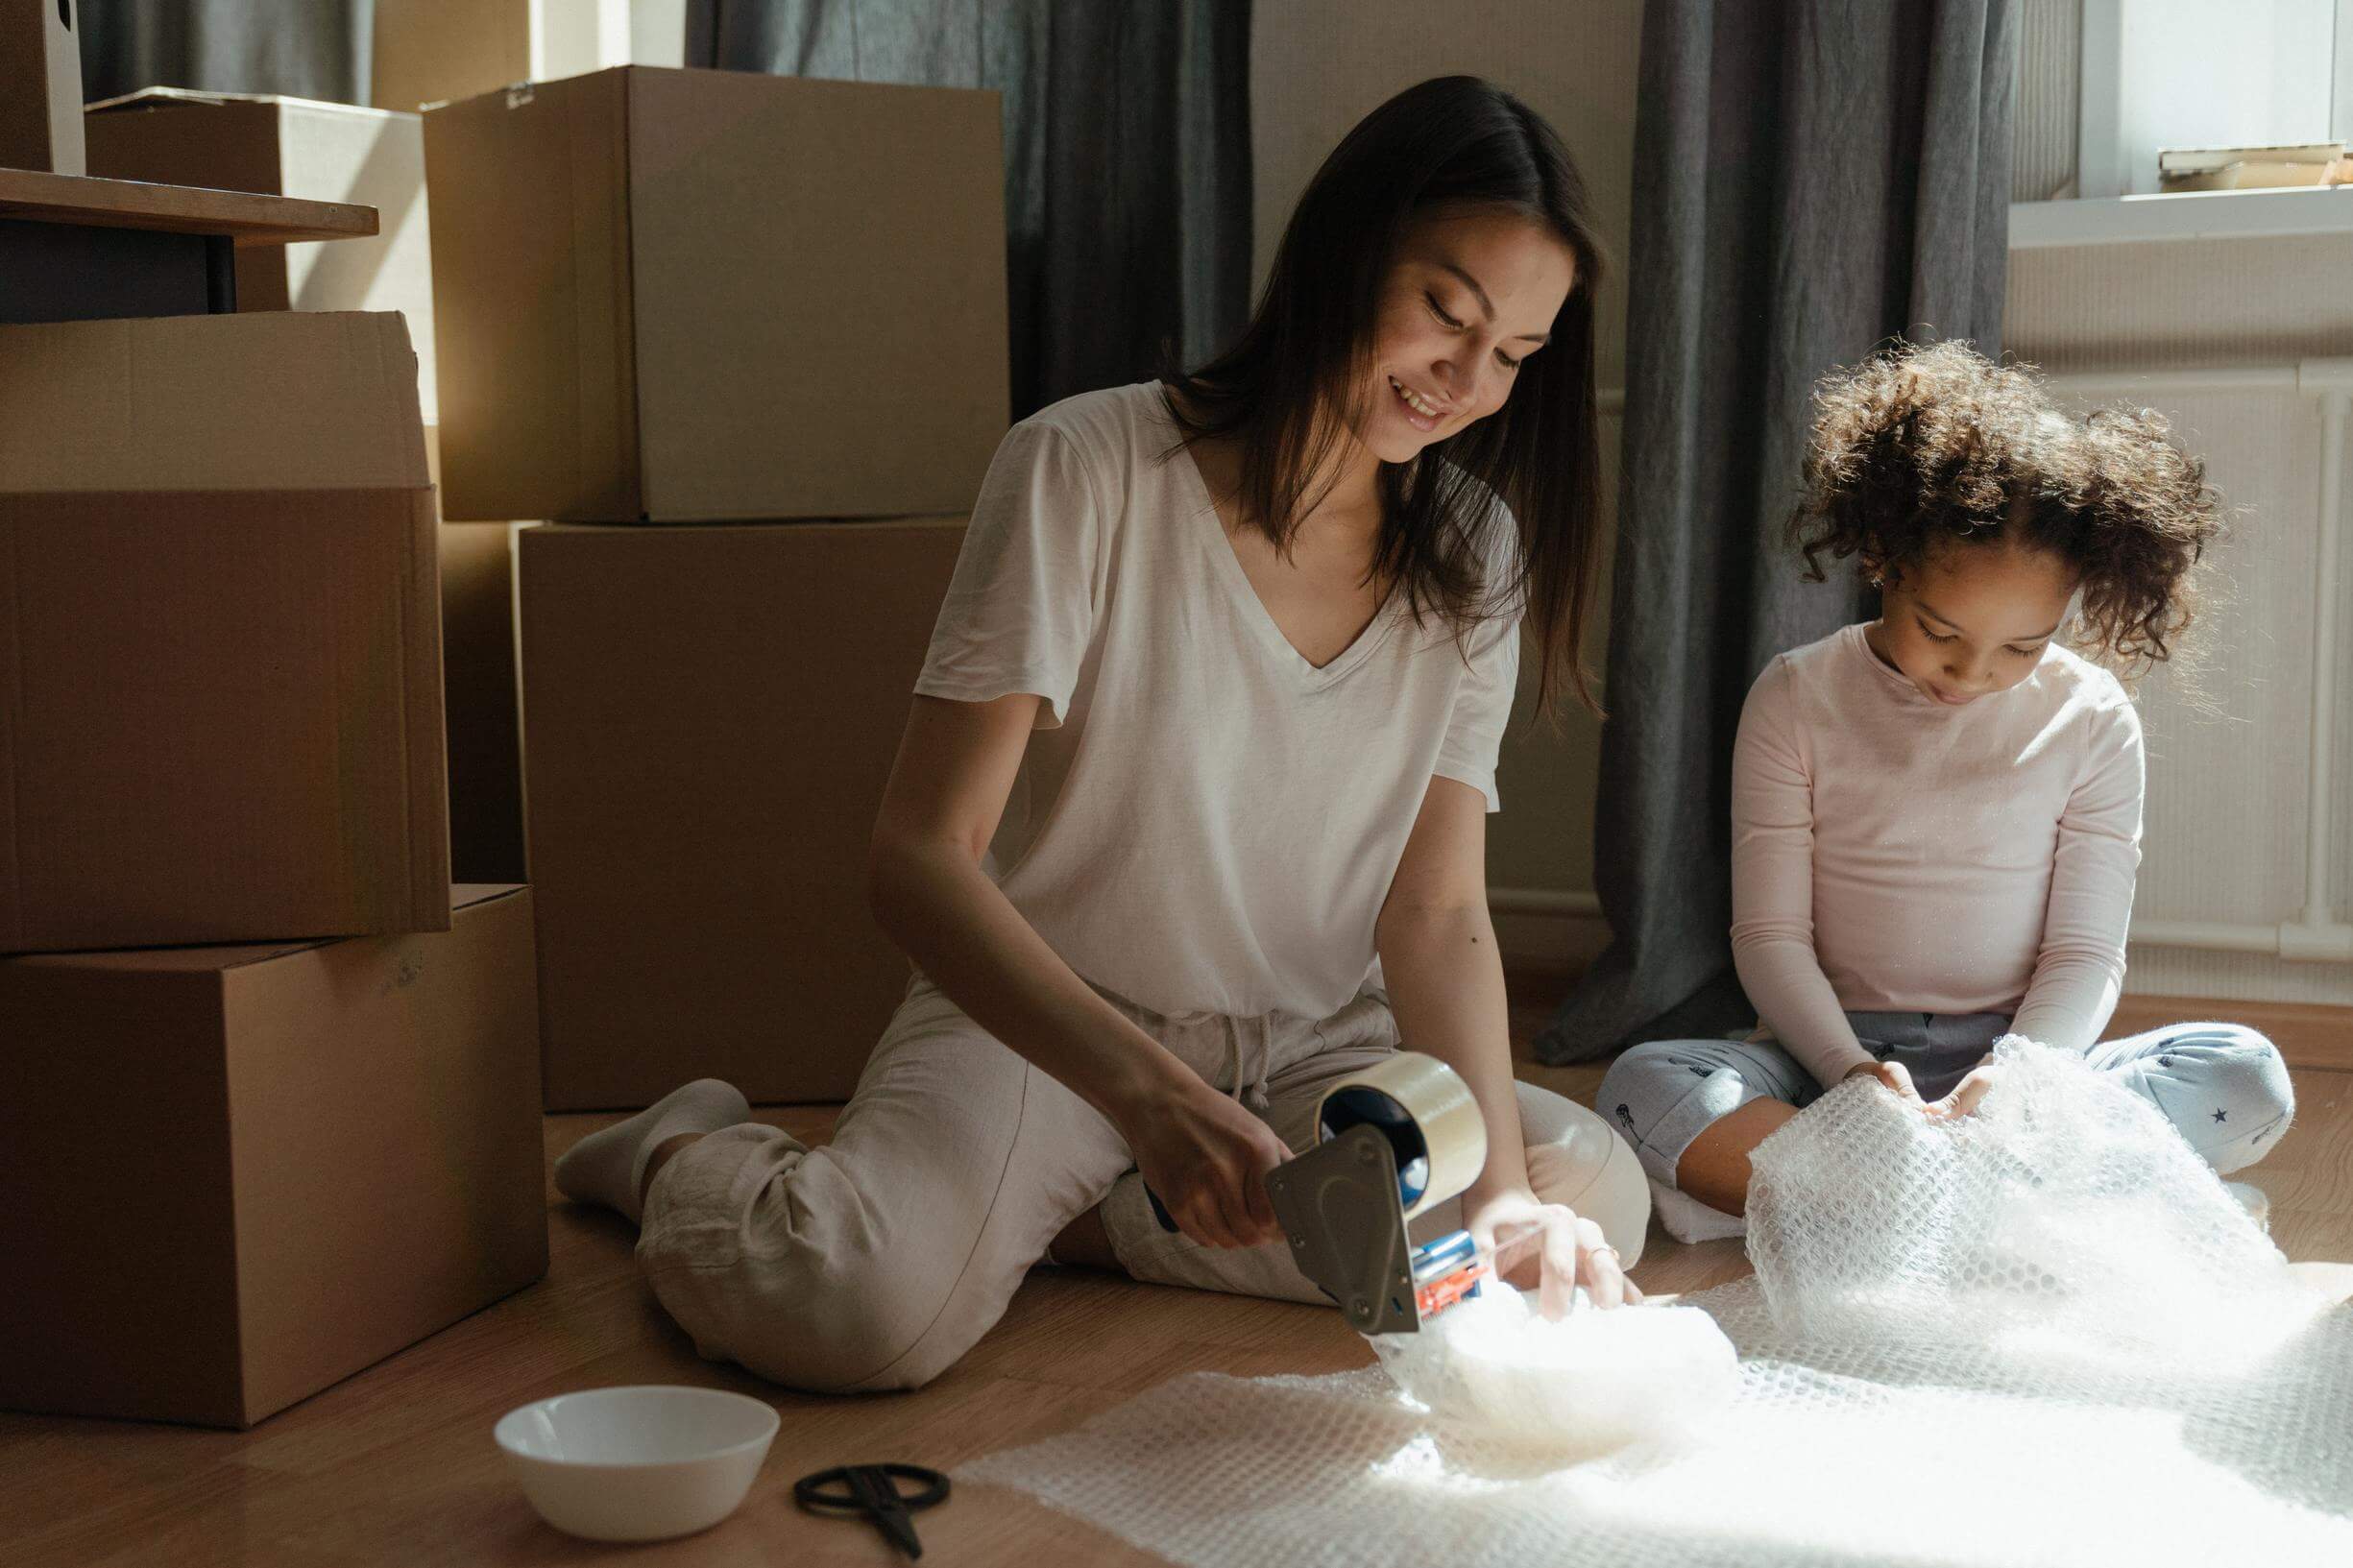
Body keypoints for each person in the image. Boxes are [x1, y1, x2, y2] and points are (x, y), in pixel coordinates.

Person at [554, 75, 1653, 1393]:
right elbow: (916, 856)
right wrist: (1147, 1095)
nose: (1466, 383)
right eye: (1445, 314)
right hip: (1053, 1031)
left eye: (1515, 357)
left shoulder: (1475, 547)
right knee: (851, 1309)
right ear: (1345, 251)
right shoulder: (1084, 467)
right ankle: (687, 1151)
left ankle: (1091, 1219)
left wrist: (1503, 1203)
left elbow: (1435, 914)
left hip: (1316, 1051)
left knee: (1581, 1191)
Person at [1601, 339, 2294, 1242]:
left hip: (2025, 1069)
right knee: (1645, 1083)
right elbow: (1769, 935)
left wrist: (2014, 1078)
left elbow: (2085, 954)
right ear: (1885, 560)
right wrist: (1850, 1073)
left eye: (2022, 647)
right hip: (1831, 1067)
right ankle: (2014, 1205)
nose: (1970, 674)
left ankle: (1877, 1203)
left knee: (2246, 1076)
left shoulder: (2092, 717)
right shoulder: (1794, 696)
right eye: (1940, 631)